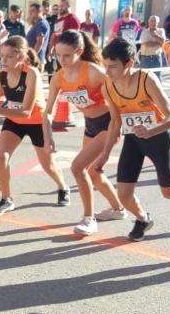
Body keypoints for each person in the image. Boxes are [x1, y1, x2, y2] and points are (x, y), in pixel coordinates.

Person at [93, 38, 170, 241]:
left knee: (169, 192)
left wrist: (152, 130)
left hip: (158, 138)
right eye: (105, 66)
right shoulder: (108, 86)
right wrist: (104, 155)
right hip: (134, 140)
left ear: (129, 64)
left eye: (113, 67)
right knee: (123, 194)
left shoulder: (146, 79)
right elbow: (115, 122)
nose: (107, 72)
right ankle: (142, 219)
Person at [44, 30, 123, 235]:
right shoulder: (59, 78)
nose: (62, 60)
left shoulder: (94, 72)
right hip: (90, 125)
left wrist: (119, 127)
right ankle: (118, 209)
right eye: (58, 55)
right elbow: (47, 112)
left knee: (78, 167)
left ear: (79, 51)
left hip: (109, 123)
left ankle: (89, 219)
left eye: (67, 55)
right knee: (93, 173)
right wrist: (48, 135)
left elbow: (118, 96)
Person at [0, 35, 69, 216]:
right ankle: (6, 199)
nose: (3, 60)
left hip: (36, 121)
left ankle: (63, 187)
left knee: (48, 165)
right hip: (14, 120)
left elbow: (26, 112)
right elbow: (1, 94)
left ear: (21, 58)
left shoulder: (31, 74)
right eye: (2, 55)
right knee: (0, 157)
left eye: (8, 56)